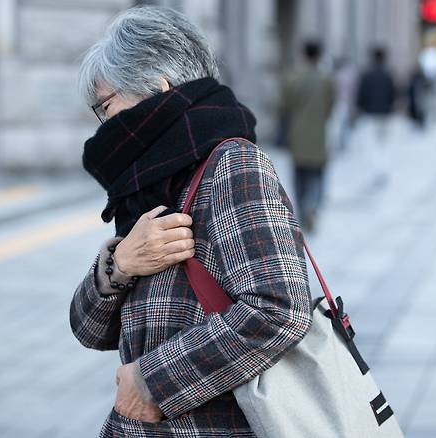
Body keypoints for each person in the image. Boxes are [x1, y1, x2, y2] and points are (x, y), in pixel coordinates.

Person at [70, 7, 312, 437]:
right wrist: (119, 265)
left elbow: (280, 311)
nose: (104, 124)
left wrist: (150, 383)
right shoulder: (150, 185)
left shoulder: (232, 165)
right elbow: (87, 329)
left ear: (157, 88)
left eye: (106, 105)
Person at [280, 41, 334, 231]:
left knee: (299, 175)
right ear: (319, 55)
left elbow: (284, 105)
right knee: (317, 174)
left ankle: (303, 210)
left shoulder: (293, 78)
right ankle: (313, 204)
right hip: (319, 135)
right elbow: (330, 107)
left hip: (298, 134)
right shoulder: (326, 79)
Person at [356, 47, 396, 189]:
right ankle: (381, 171)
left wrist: (360, 109)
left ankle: (374, 172)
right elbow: (393, 95)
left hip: (370, 115)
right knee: (383, 145)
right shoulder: (388, 75)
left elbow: (360, 95)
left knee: (371, 145)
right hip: (384, 115)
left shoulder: (367, 75)